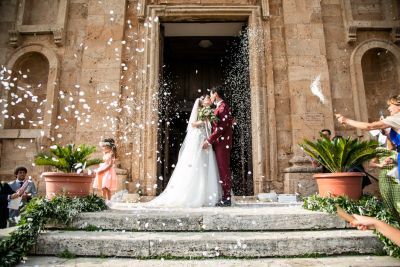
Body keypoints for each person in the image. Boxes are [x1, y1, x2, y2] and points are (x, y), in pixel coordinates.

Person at [146, 95, 221, 207]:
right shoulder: (200, 110)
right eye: (207, 99)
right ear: (202, 102)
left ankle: (207, 194)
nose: (209, 99)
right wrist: (203, 121)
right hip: (198, 139)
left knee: (207, 164)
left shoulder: (212, 110)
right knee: (197, 163)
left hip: (206, 139)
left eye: (209, 98)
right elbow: (192, 124)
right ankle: (195, 194)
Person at [336, 94, 400, 219]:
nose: (389, 109)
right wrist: (394, 158)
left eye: (390, 105)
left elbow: (368, 126)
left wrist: (346, 120)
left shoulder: (397, 118)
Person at [202, 86, 234, 206]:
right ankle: (224, 196)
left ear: (215, 94)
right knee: (221, 169)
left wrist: (209, 140)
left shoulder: (223, 107)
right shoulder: (220, 107)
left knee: (224, 169)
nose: (210, 97)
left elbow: (221, 128)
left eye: (211, 94)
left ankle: (227, 198)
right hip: (219, 143)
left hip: (222, 143)